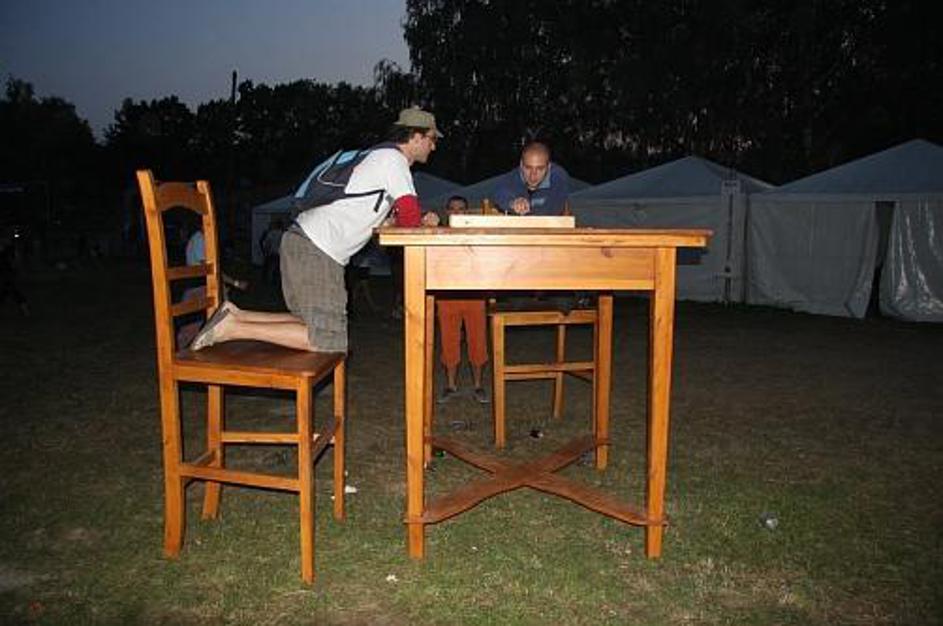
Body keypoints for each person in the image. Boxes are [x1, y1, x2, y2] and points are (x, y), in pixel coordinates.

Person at [189, 106, 442, 352]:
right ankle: (231, 328)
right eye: (432, 139)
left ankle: (235, 315)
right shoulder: (394, 160)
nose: (434, 146)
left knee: (311, 326)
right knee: (327, 340)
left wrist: (410, 220)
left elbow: (387, 222)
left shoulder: (379, 159)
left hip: (309, 245)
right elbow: (409, 216)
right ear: (415, 136)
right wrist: (421, 220)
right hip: (317, 249)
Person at [433, 196, 489, 404]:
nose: (457, 212)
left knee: (478, 340)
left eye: (461, 209)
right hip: (447, 296)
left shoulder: (476, 234)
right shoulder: (439, 234)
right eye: (453, 208)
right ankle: (450, 385)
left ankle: (478, 385)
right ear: (447, 211)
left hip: (474, 295)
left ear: (467, 212)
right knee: (449, 341)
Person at [492, 141, 570, 216]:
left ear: (548, 167)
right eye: (528, 168)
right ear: (521, 165)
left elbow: (558, 208)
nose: (533, 176)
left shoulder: (559, 178)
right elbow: (499, 193)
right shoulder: (512, 177)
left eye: (540, 169)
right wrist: (513, 203)